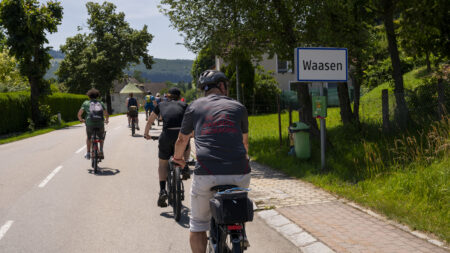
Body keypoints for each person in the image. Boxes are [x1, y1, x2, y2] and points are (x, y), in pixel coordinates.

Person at [173, 70, 250, 253]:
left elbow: (182, 140)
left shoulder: (194, 106)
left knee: (198, 224)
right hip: (240, 172)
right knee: (236, 203)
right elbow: (245, 143)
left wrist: (178, 159)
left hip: (208, 173)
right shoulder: (239, 107)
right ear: (222, 86)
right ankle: (240, 232)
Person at [144, 87, 191, 207]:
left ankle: (162, 191)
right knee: (186, 143)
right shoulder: (185, 105)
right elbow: (192, 122)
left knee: (163, 163)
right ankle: (185, 165)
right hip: (180, 134)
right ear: (179, 97)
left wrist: (146, 133)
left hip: (166, 135)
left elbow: (150, 121)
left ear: (168, 96)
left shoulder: (161, 105)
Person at [77, 88, 109, 160]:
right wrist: (106, 120)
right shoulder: (101, 103)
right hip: (100, 123)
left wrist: (81, 120)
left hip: (89, 123)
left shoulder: (86, 103)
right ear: (97, 96)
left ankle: (88, 153)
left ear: (89, 96)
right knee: (101, 137)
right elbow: (106, 114)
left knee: (89, 138)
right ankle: (101, 150)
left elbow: (79, 114)